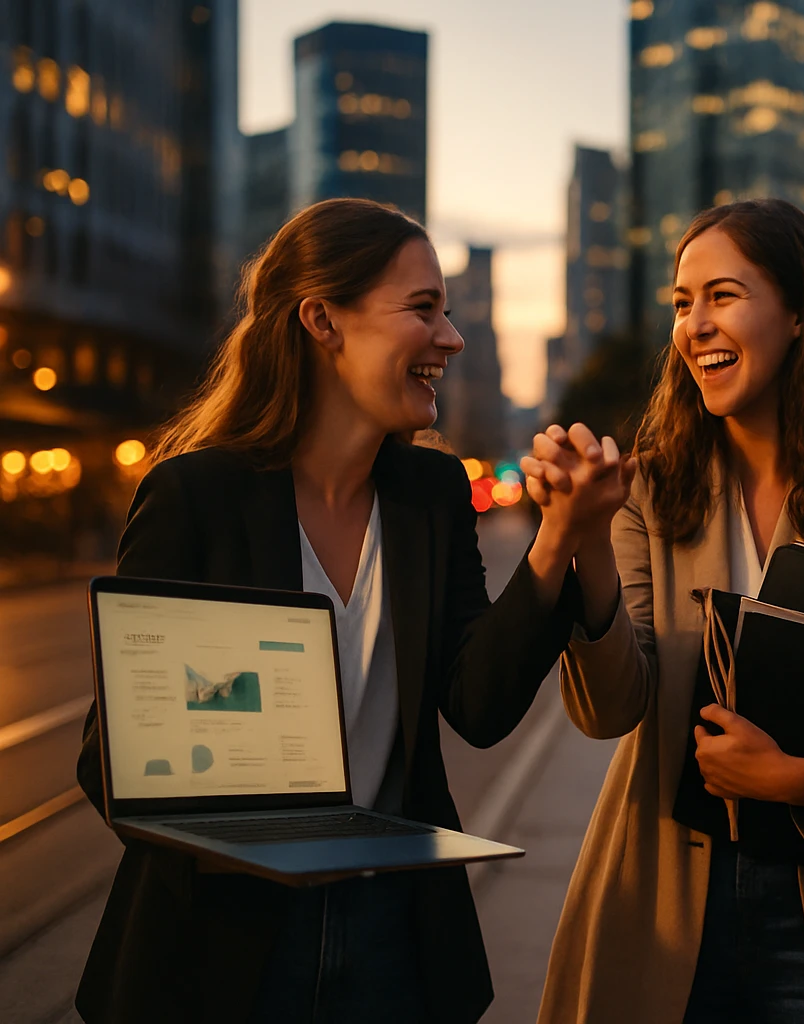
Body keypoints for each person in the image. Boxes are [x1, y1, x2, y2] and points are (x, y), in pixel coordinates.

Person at [74, 198, 581, 1024]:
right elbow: (111, 763)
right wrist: (233, 814)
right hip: (224, 945)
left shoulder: (431, 495)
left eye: (447, 312)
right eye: (423, 309)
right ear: (322, 320)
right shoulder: (197, 497)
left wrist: (559, 540)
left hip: (397, 939)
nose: (450, 338)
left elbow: (479, 707)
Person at [520, 198, 804, 1024]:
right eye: (682, 303)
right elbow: (608, 709)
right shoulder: (646, 496)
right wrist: (582, 540)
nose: (695, 324)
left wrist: (801, 781)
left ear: (798, 314)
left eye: (723, 296)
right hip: (662, 896)